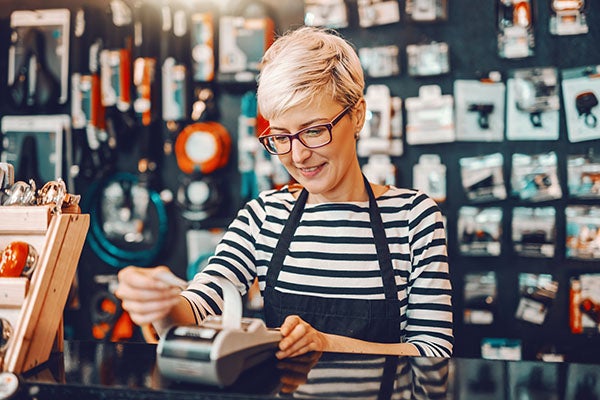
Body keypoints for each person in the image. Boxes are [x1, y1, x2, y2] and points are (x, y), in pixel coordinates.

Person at [115, 26, 453, 359]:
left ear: (358, 115)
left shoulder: (413, 218)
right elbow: (199, 307)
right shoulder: (264, 216)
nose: (298, 155)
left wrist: (326, 344)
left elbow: (433, 353)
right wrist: (159, 303)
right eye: (280, 136)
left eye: (314, 130)